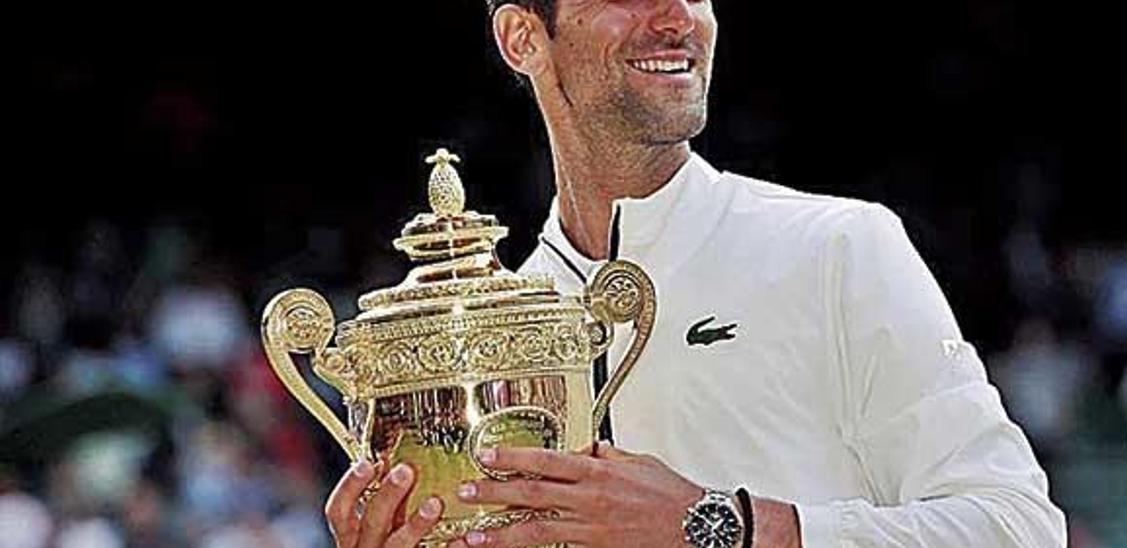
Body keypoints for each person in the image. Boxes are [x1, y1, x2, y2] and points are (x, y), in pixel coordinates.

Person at [323, 1, 1067, 546]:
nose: (678, 16)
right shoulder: (498, 329)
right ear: (524, 37)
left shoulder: (838, 246)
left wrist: (720, 526)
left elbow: (1016, 527)